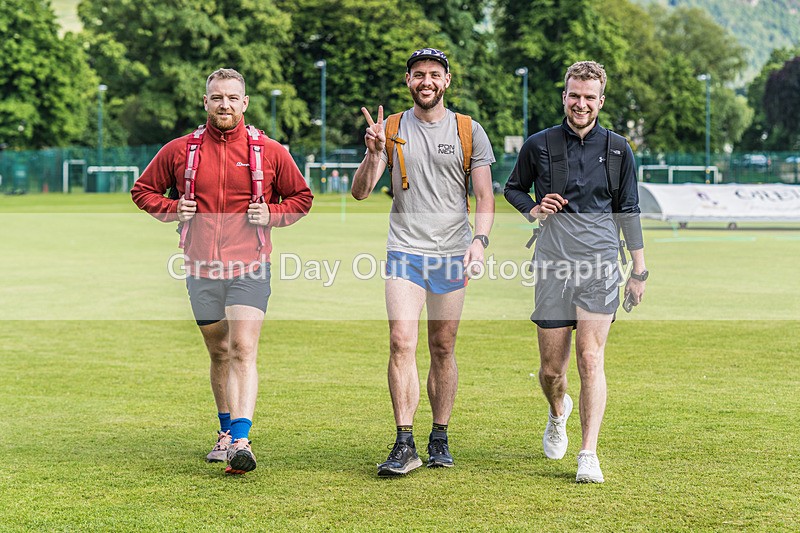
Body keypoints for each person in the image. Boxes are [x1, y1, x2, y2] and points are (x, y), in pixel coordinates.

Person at [131, 68, 313, 474]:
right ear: (206, 102)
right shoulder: (181, 150)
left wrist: (272, 212)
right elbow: (142, 190)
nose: (225, 104)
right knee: (219, 351)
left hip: (250, 266)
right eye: (217, 97)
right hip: (200, 269)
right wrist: (172, 208)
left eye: (232, 98)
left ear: (245, 103)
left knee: (243, 348)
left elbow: (301, 198)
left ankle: (241, 440)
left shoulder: (269, 151)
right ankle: (224, 431)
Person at [351, 48, 496, 476]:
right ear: (408, 80)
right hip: (405, 251)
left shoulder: (469, 130)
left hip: (452, 252)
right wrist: (374, 152)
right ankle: (404, 441)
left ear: (447, 81)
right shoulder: (391, 128)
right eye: (418, 75)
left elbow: (485, 196)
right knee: (401, 342)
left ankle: (440, 437)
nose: (426, 81)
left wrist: (480, 241)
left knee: (443, 347)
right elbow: (361, 192)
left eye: (434, 74)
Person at [504, 61, 647, 483]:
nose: (581, 104)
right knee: (552, 371)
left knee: (590, 357)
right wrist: (532, 207)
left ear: (600, 101)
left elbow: (629, 210)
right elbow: (512, 186)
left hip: (602, 263)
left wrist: (639, 271)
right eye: (574, 95)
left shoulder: (620, 149)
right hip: (552, 263)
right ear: (563, 96)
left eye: (589, 97)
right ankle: (556, 411)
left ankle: (589, 453)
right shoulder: (540, 144)